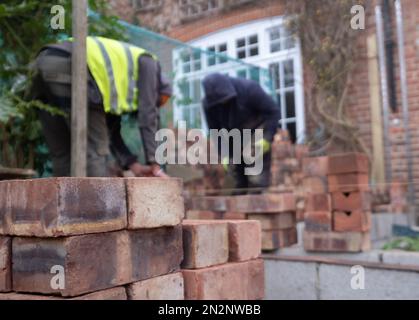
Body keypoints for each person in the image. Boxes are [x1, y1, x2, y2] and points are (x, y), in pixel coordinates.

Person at [31, 36, 172, 177]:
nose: (155, 104)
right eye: (157, 101)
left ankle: (66, 199)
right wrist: (155, 164)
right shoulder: (149, 63)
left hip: (42, 63)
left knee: (63, 153)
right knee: (96, 150)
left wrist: (133, 165)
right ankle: (95, 199)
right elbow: (148, 115)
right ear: (158, 88)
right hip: (72, 65)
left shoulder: (115, 88)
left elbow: (111, 132)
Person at [202, 73, 280, 193]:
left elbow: (273, 112)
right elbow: (215, 131)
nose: (223, 104)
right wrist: (225, 155)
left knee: (256, 178)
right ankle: (239, 205)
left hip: (256, 130)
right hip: (234, 134)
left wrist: (267, 138)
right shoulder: (208, 105)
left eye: (225, 101)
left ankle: (258, 204)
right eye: (220, 103)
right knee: (237, 182)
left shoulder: (249, 89)